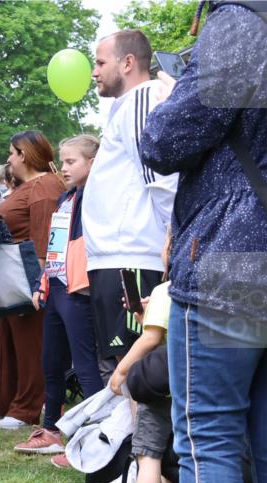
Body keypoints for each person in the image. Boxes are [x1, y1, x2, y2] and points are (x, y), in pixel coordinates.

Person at [115, 2, 266, 483]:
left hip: (234, 258)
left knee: (207, 442)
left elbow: (166, 140)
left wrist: (175, 89)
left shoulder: (241, 21)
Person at [82, 29, 177, 367]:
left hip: (132, 254)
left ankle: (138, 424)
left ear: (127, 63)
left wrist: (173, 240)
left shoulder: (143, 98)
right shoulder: (126, 107)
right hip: (117, 255)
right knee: (120, 363)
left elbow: (159, 174)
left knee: (133, 366)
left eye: (100, 62)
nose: (94, 71)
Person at [16, 135, 104, 457]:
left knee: (85, 366)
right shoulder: (65, 199)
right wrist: (43, 280)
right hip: (55, 288)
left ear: (93, 164)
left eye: (71, 162)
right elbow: (57, 246)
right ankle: (52, 427)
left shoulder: (96, 197)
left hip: (79, 290)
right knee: (51, 362)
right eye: (62, 162)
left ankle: (95, 439)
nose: (63, 169)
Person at [0, 131, 64, 430]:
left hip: (28, 274)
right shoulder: (25, 187)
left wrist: (38, 283)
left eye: (11, 153)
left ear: (24, 155)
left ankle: (27, 408)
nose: (8, 159)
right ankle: (2, 402)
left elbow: (44, 238)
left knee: (29, 342)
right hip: (7, 274)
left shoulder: (44, 186)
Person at [105, 232, 181, 483]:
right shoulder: (195, 294)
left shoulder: (165, 291)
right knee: (170, 457)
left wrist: (121, 372)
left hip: (157, 389)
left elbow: (151, 339)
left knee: (148, 455)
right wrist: (144, 316)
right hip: (184, 388)